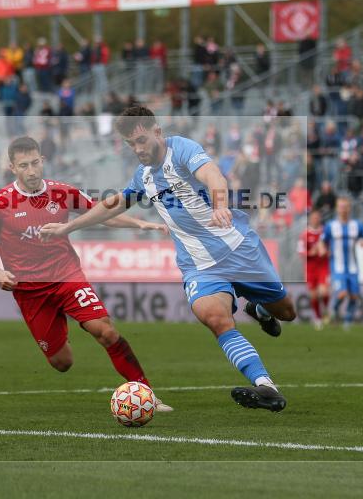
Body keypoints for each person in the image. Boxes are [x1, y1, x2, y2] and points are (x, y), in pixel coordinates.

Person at [41, 106, 294, 412]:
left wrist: (220, 205)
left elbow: (213, 175)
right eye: (131, 144)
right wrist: (67, 226)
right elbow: (115, 204)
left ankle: (261, 309)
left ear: (157, 132)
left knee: (287, 312)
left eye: (142, 140)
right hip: (198, 264)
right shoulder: (143, 176)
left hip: (239, 249)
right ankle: (265, 386)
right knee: (216, 318)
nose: (138, 149)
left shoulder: (183, 149)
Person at [0, 137, 172, 411]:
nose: (31, 171)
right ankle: (59, 328)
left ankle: (147, 393)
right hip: (30, 290)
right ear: (12, 168)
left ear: (42, 161)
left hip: (67, 276)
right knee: (62, 363)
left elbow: (101, 213)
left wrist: (139, 222)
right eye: (23, 165)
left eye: (34, 163)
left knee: (105, 331)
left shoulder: (62, 193)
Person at [323, 196, 363, 331]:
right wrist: (324, 250)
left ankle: (347, 322)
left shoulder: (356, 225)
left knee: (354, 297)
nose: (343, 210)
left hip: (353, 267)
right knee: (342, 293)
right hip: (337, 268)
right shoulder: (331, 226)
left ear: (349, 208)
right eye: (341, 207)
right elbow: (323, 242)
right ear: (337, 209)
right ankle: (334, 309)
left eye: (345, 207)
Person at [299, 210, 330, 330]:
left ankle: (326, 310)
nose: (316, 219)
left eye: (318, 217)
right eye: (314, 217)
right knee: (314, 296)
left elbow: (331, 248)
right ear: (310, 219)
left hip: (323, 267)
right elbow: (301, 251)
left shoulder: (325, 232)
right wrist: (311, 253)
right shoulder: (305, 234)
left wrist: (326, 252)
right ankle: (318, 318)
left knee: (324, 292)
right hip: (310, 268)